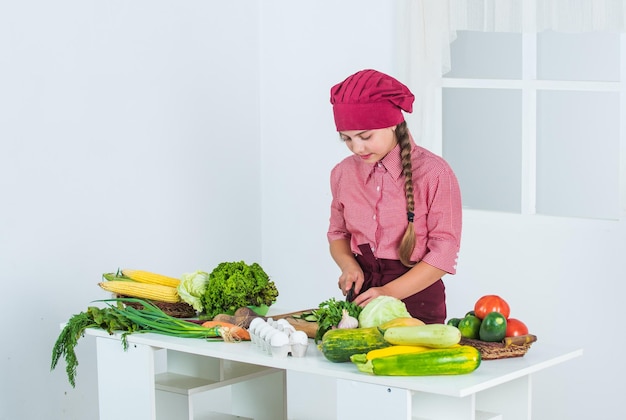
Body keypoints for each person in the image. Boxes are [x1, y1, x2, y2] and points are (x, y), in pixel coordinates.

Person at [327, 69, 462, 324]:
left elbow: (444, 252)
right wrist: (348, 265)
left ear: (393, 123)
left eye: (366, 136)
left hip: (417, 301)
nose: (357, 147)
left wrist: (389, 293)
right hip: (363, 299)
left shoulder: (435, 173)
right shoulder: (342, 173)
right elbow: (338, 234)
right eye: (347, 138)